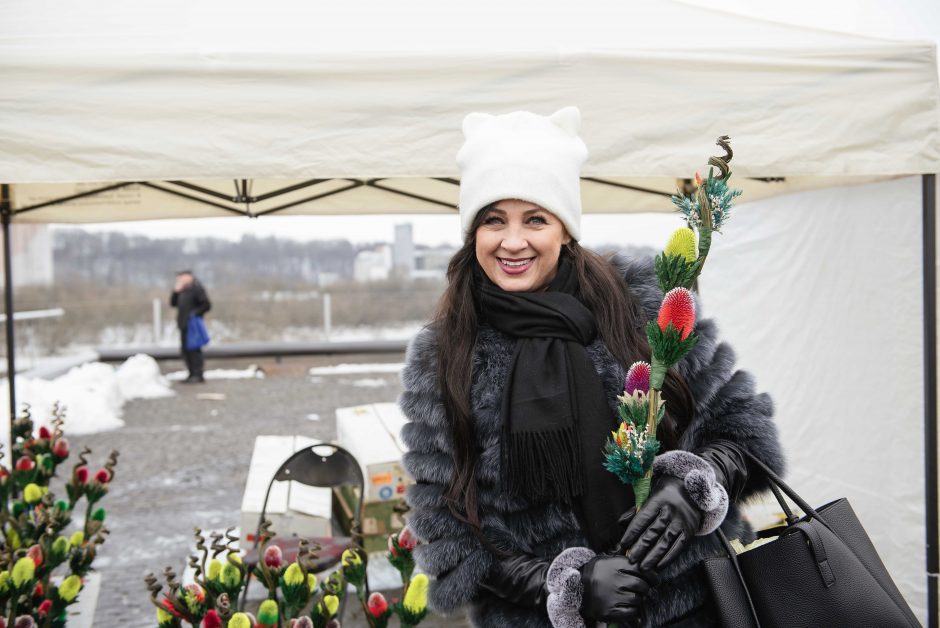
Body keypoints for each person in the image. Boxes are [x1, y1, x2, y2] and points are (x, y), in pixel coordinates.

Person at [398, 107, 784, 627]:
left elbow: (746, 434)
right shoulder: (446, 352)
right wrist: (566, 589)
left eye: (535, 218)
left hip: (698, 607)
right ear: (474, 233)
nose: (513, 242)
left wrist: (690, 490)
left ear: (565, 228)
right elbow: (450, 533)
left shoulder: (641, 303)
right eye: (494, 220)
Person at [170, 270, 211, 384]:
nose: (180, 280)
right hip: (183, 324)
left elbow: (206, 305)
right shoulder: (182, 290)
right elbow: (173, 303)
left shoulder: (196, 288)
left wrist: (194, 314)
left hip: (193, 325)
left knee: (194, 349)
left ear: (188, 277)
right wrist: (176, 292)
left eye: (181, 277)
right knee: (185, 350)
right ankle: (191, 373)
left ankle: (198, 374)